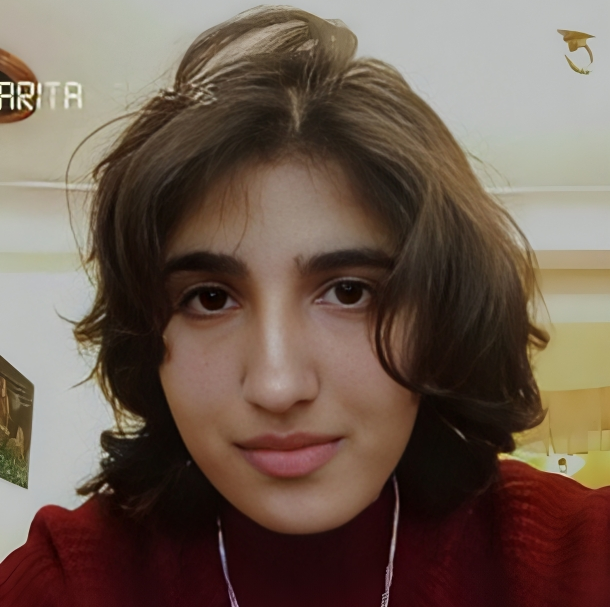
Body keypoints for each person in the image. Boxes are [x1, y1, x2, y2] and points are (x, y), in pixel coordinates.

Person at [1, 5, 609, 606]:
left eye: (349, 292)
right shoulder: (68, 583)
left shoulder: (574, 557)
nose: (277, 386)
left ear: (443, 320)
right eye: (210, 298)